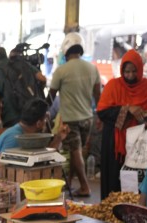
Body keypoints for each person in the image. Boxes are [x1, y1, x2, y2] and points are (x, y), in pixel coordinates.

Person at [96, 49, 147, 199]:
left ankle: (137, 213)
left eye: (134, 71)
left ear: (140, 70)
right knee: (114, 182)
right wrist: (127, 109)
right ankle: (111, 212)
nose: (130, 76)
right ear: (121, 70)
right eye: (127, 72)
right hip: (116, 146)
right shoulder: (113, 86)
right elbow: (102, 112)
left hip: (140, 145)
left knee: (138, 184)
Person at [49, 36, 101, 197]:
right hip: (88, 118)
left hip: (70, 118)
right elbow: (98, 96)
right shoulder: (92, 69)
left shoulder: (61, 71)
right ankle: (69, 183)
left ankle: (85, 186)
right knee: (75, 152)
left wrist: (44, 112)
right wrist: (99, 115)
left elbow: (51, 96)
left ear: (66, 51)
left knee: (75, 151)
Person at [0, 99, 69, 179]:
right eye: (46, 119)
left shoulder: (27, 134)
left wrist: (59, 138)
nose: (48, 122)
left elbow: (44, 156)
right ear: (39, 123)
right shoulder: (15, 137)